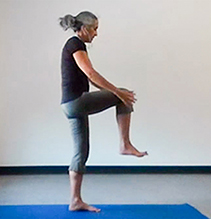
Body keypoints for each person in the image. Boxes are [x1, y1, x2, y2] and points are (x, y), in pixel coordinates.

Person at [58, 11, 148, 213]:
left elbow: (90, 78)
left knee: (81, 153)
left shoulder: (76, 45)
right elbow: (91, 72)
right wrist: (117, 92)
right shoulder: (75, 44)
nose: (96, 34)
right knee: (123, 95)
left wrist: (113, 92)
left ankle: (75, 200)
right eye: (94, 29)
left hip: (70, 105)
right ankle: (125, 144)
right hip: (76, 102)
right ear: (83, 29)